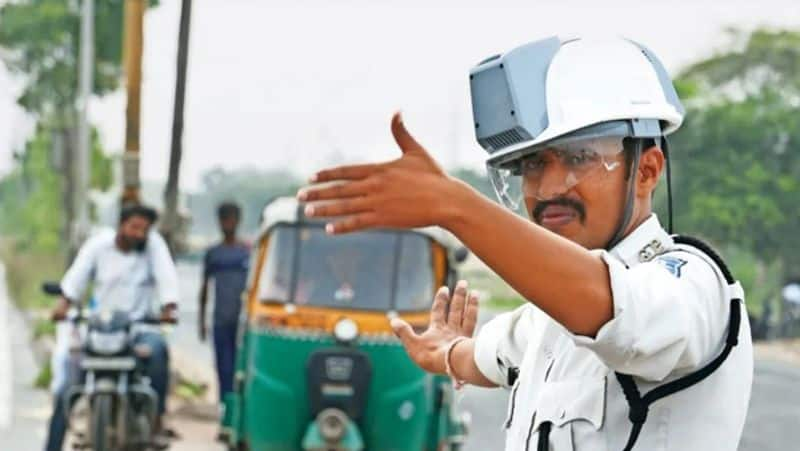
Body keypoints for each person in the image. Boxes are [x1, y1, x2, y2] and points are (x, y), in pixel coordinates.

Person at [297, 36, 753, 450]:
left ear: (648, 171)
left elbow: (612, 309)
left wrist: (455, 207)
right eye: (532, 165)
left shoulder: (694, 284)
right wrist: (445, 353)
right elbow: (489, 355)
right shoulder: (545, 320)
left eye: (579, 158)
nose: (549, 187)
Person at [45, 204, 179, 451]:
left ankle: (157, 420)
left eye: (144, 230)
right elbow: (76, 278)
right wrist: (63, 305)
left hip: (139, 329)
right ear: (121, 225)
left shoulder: (153, 246)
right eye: (134, 227)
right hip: (99, 330)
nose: (140, 234)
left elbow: (166, 276)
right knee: (66, 387)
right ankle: (51, 446)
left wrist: (168, 307)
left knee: (159, 352)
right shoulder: (98, 246)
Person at [199, 202, 250, 407]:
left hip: (244, 320)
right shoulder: (214, 253)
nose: (227, 224)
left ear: (238, 221)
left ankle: (240, 409)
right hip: (220, 319)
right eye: (224, 219)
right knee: (223, 367)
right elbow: (204, 288)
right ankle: (225, 409)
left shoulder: (247, 252)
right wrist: (201, 321)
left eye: (231, 219)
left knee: (242, 366)